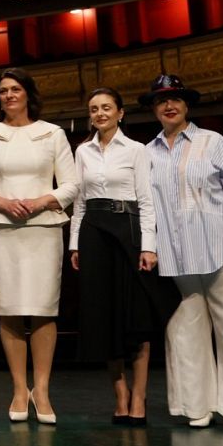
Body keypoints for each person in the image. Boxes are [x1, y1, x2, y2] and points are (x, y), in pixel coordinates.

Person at [142, 75, 223, 430]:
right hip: (175, 257)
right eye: (162, 101)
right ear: (154, 109)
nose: (169, 105)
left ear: (186, 105)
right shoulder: (147, 153)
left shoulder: (213, 142)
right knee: (185, 332)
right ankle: (196, 407)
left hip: (220, 247)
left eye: (176, 99)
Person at [0, 67, 79, 424]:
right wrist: (0, 202)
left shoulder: (52, 134)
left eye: (15, 89)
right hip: (2, 230)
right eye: (3, 91)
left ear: (28, 93)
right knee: (11, 308)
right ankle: (19, 388)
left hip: (44, 228)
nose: (9, 95)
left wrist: (42, 200)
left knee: (44, 308)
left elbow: (72, 185)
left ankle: (42, 389)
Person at [69, 86, 176, 426]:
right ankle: (120, 396)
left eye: (106, 107)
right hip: (93, 233)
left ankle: (140, 397)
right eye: (94, 109)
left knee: (136, 317)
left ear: (120, 113)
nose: (99, 113)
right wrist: (74, 244)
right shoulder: (83, 151)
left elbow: (146, 200)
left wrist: (149, 246)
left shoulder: (137, 150)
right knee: (104, 317)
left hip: (128, 232)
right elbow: (79, 203)